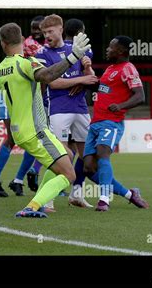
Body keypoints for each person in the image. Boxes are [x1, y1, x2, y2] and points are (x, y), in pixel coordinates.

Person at [0, 21, 91, 218]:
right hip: (35, 130)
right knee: (69, 174)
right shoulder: (26, 63)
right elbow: (47, 76)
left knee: (65, 155)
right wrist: (73, 57)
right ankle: (33, 206)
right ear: (22, 40)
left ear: (3, 43)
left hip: (18, 131)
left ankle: (41, 203)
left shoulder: (0, 69)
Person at [34, 16, 99, 209]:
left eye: (50, 31)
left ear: (61, 29)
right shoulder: (42, 53)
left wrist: (87, 68)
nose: (47, 36)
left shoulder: (76, 49)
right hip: (59, 109)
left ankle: (76, 194)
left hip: (80, 108)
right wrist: (79, 81)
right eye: (44, 33)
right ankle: (47, 199)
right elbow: (52, 82)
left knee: (88, 156)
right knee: (62, 155)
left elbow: (92, 79)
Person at [83, 36, 149, 212]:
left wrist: (120, 106)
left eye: (111, 47)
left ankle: (104, 199)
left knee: (103, 153)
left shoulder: (128, 69)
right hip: (95, 121)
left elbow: (140, 96)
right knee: (88, 168)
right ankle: (129, 194)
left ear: (121, 51)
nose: (107, 49)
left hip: (111, 122)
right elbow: (104, 90)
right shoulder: (110, 69)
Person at [0, 16, 46, 197]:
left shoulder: (45, 45)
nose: (36, 31)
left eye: (40, 28)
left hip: (29, 94)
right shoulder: (29, 44)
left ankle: (17, 180)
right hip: (12, 94)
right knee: (12, 138)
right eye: (33, 28)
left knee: (34, 138)